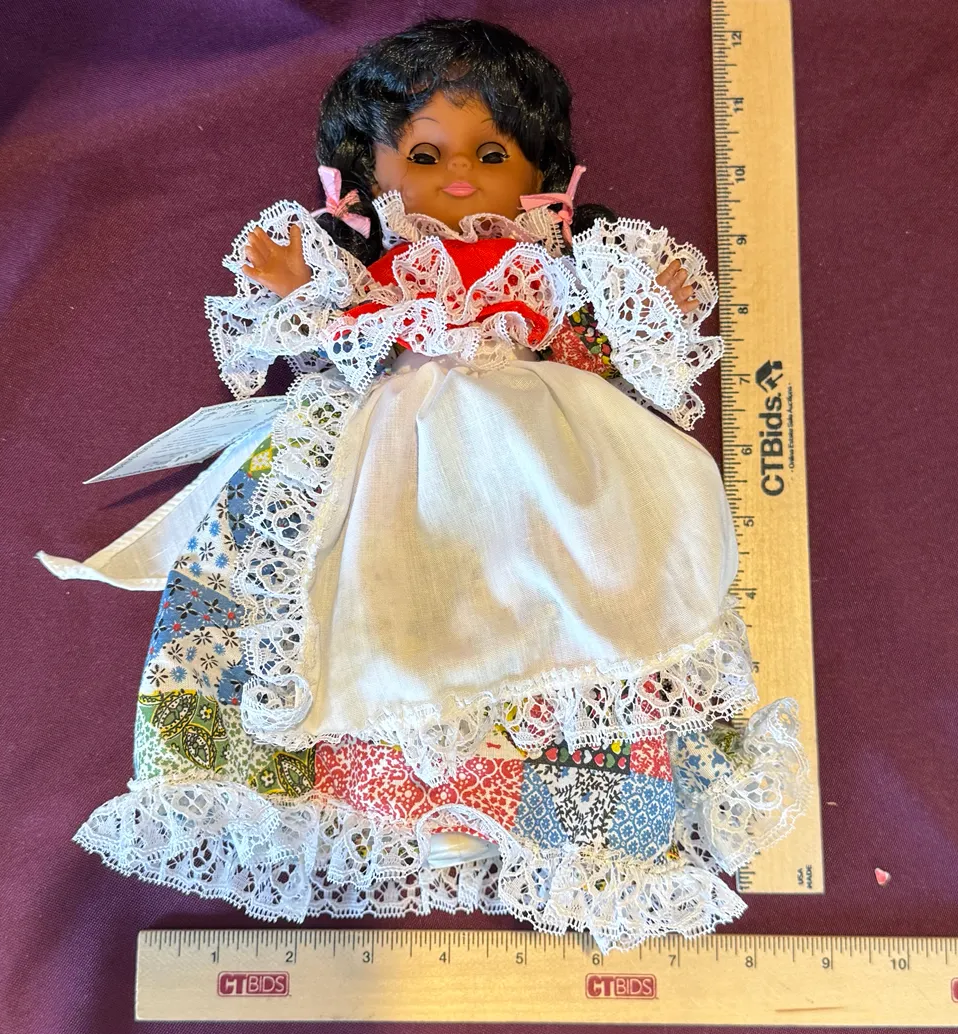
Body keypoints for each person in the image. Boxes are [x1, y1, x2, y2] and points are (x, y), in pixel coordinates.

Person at [40, 17, 807, 952]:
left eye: (492, 152)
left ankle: (548, 804)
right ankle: (401, 795)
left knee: (574, 601)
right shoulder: (373, 274)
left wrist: (651, 312)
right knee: (374, 612)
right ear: (365, 173)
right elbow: (324, 337)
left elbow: (612, 355)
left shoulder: (557, 271)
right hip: (386, 455)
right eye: (424, 153)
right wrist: (297, 287)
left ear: (542, 172)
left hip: (548, 461)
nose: (460, 176)